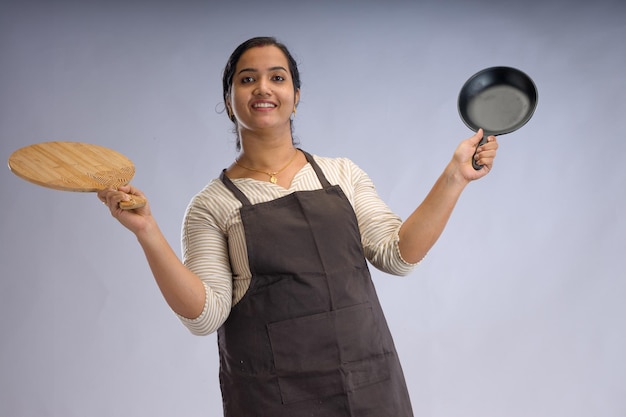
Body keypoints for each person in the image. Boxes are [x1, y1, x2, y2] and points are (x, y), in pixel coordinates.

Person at [98, 36, 498, 417]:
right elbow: (205, 315)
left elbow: (397, 255)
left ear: (296, 96)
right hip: (273, 398)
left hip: (369, 386)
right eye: (247, 79)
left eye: (277, 77)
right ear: (228, 99)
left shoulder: (342, 175)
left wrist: (455, 177)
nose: (263, 89)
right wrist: (147, 231)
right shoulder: (212, 205)